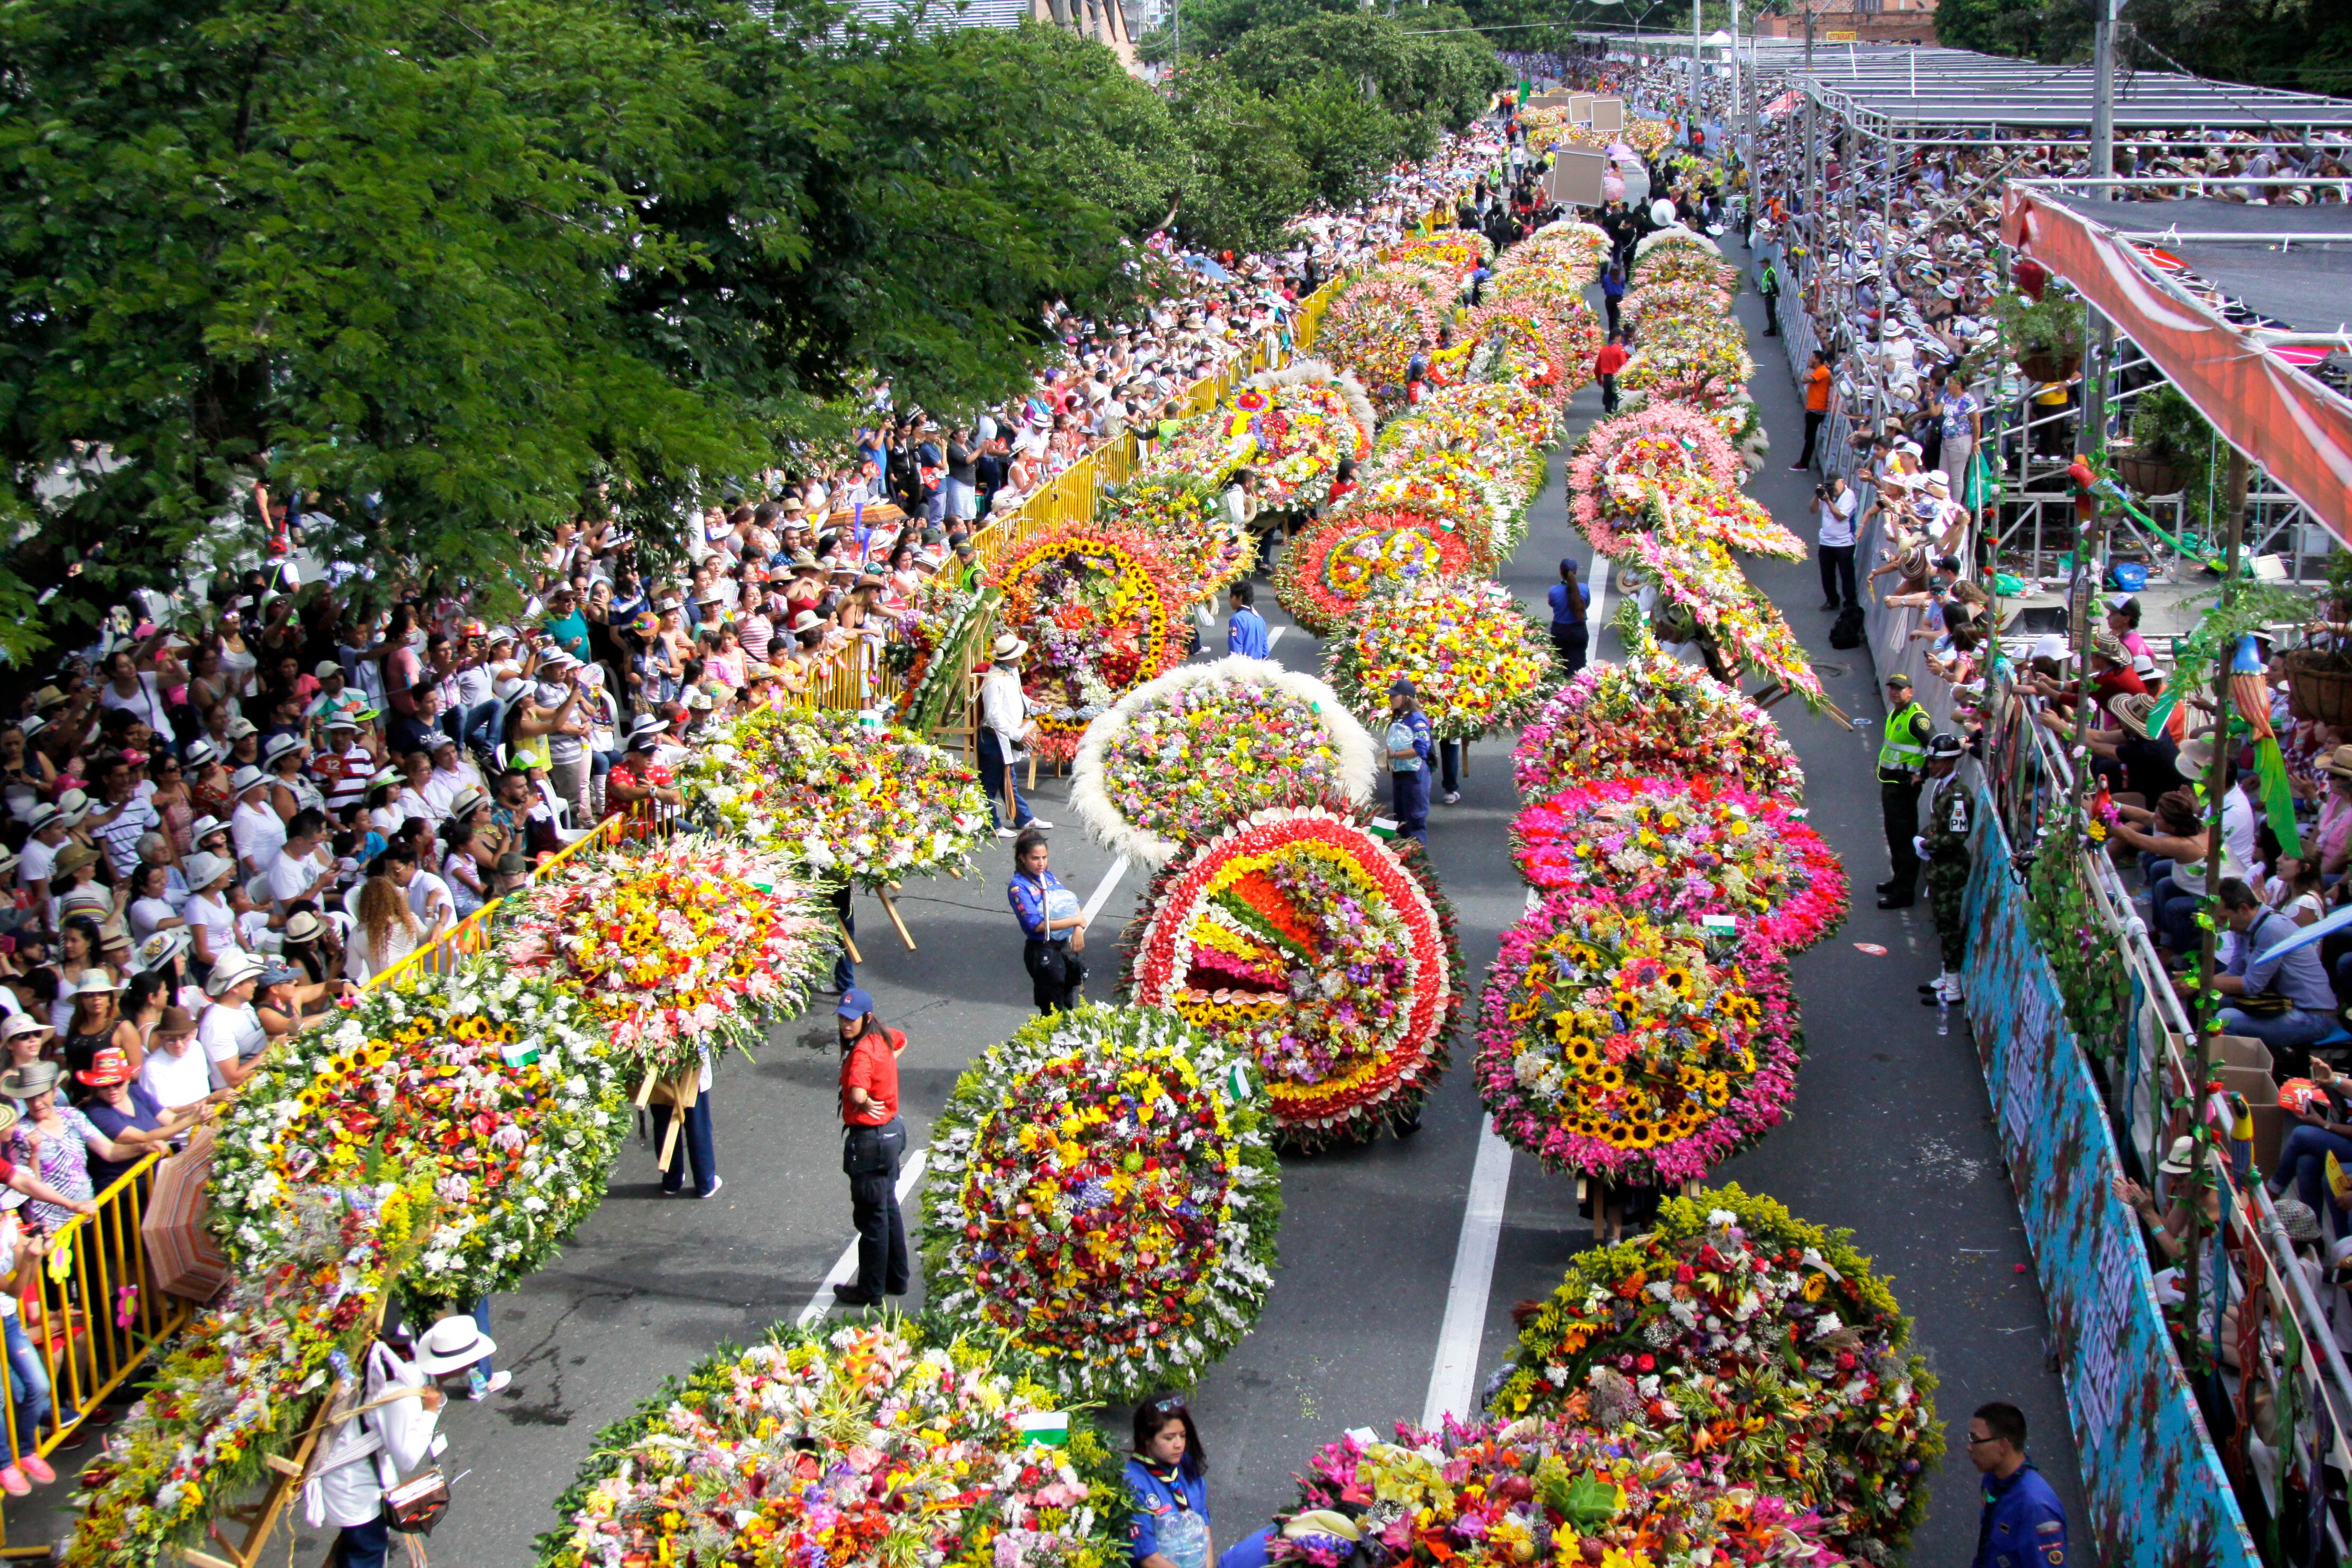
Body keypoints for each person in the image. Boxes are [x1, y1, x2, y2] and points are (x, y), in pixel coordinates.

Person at [307, 1315, 449, 1568]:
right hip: (355, 1486)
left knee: (363, 1551)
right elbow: (408, 1458)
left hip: (361, 1479)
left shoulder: (387, 1360)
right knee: (366, 1553)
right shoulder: (397, 1387)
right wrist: (431, 1412)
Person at [2186, 878, 2340, 1053]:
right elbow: (2234, 972)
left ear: (2243, 909)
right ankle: (2193, 1047)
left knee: (2225, 1018)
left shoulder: (2271, 929)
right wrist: (2193, 982)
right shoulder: (2243, 927)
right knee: (2207, 1000)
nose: (2221, 923)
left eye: (2223, 918)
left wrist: (2199, 982)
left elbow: (2251, 985)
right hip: (2282, 1006)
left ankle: (2238, 1073)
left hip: (2313, 1017)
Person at [834, 988, 909, 1307]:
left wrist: (863, 1102)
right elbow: (902, 1039)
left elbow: (856, 1092)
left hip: (869, 1142)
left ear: (866, 1018)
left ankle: (871, 1289)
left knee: (871, 1219)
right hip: (892, 1134)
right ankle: (897, 1278)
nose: (845, 1025)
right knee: (888, 1208)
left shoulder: (863, 1052)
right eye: (841, 1018)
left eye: (851, 1020)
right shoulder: (882, 1037)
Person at [1967, 1402, 2068, 1568]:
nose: (1969, 1447)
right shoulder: (1993, 1479)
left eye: (1975, 1440)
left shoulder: (2037, 1508)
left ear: (2003, 1446)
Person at [1916, 734, 1973, 1006]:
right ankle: (1945, 975)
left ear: (1950, 762)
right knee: (1941, 923)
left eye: (1935, 761)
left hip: (1951, 870)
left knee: (1949, 926)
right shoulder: (1942, 787)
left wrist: (1925, 843)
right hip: (1940, 867)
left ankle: (1953, 986)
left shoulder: (1958, 795)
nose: (1931, 765)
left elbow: (1956, 837)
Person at [1126, 1394, 1213, 1568]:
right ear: (1147, 1438)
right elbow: (1149, 1558)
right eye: (1169, 1438)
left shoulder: (1186, 1464)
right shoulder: (1133, 1484)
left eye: (1182, 1435)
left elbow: (1203, 1521)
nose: (1179, 1445)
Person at [1009, 829, 1087, 1015]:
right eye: (1035, 858)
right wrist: (1078, 920)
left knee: (1069, 998)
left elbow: (1070, 901)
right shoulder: (1019, 886)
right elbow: (1036, 925)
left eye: (1045, 857)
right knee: (1052, 1007)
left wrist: (1078, 930)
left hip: (1063, 946)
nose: (1041, 863)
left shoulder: (1048, 877)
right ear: (1022, 858)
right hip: (1042, 949)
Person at [978, 634, 1046, 838]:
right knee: (991, 784)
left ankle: (1023, 818)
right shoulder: (994, 681)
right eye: (1017, 656)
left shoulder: (1011, 672)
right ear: (1007, 659)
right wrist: (1017, 735)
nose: (1021, 659)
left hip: (1005, 737)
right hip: (994, 739)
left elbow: (1018, 694)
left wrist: (1031, 704)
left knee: (1008, 780)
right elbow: (993, 716)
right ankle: (992, 825)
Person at [1876, 674, 1932, 908]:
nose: (1894, 693)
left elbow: (1935, 745)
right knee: (1893, 835)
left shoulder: (1916, 718)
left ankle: (1904, 892)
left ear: (1911, 692)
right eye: (1892, 689)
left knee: (1903, 839)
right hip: (1891, 784)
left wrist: (1923, 775)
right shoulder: (1898, 713)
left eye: (1900, 689)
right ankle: (1897, 880)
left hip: (1904, 788)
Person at [1385, 680, 1434, 841]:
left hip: (1415, 777)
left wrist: (1395, 755)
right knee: (1400, 823)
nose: (1390, 699)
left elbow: (1421, 749)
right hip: (1400, 775)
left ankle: (1419, 863)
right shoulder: (1399, 716)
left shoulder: (1417, 719)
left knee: (1415, 824)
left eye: (1394, 695)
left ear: (1406, 697)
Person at [1816, 475, 1858, 611]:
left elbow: (1841, 517)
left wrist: (1828, 502)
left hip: (1844, 543)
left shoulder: (1849, 496)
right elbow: (1813, 510)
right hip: (1826, 541)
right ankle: (1832, 600)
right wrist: (1817, 496)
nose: (1832, 488)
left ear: (1842, 482)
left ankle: (1850, 602)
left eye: (1834, 485)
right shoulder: (1827, 494)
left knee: (1846, 574)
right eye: (1829, 485)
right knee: (1827, 574)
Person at [1547, 558, 1590, 675]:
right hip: (1579, 631)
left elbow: (1551, 604)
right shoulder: (1584, 589)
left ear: (1561, 572)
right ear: (1575, 572)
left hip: (1560, 632)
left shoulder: (1554, 591)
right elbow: (1586, 604)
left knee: (1561, 665)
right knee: (1578, 667)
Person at [1792, 348, 1832, 471]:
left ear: (1817, 359)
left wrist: (1808, 368)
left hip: (1817, 409)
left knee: (1809, 438)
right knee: (1809, 437)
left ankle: (1804, 463)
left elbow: (1805, 379)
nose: (1810, 359)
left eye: (1812, 357)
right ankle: (1804, 462)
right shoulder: (1821, 371)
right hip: (1814, 408)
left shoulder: (1822, 371)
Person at [1226, 582, 1269, 661]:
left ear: (1240, 598)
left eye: (1232, 596)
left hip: (1243, 669)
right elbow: (1265, 650)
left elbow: (1235, 650)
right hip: (1259, 667)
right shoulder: (1260, 619)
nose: (1229, 600)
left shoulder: (1237, 619)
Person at [1594, 331, 1629, 415]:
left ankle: (1608, 419)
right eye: (1621, 337)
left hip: (1606, 379)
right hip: (1616, 378)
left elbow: (1597, 367)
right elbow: (1624, 365)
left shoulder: (1603, 350)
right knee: (1618, 400)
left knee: (1608, 402)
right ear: (1617, 337)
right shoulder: (1620, 349)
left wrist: (1599, 379)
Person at [1756, 254, 1781, 336]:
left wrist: (1777, 292)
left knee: (1771, 313)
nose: (1761, 265)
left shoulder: (1770, 273)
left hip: (1771, 295)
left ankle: (1772, 330)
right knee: (1769, 313)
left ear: (1766, 264)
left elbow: (1774, 283)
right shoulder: (1768, 271)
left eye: (1762, 263)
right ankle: (1771, 328)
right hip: (1768, 295)